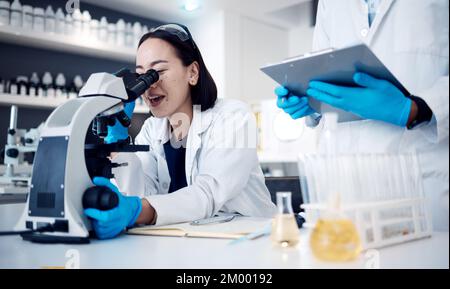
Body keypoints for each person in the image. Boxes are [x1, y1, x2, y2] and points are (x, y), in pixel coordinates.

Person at [84, 23, 276, 239]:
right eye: (141, 76)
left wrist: (136, 210)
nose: (148, 86)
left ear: (192, 72)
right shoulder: (151, 128)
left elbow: (208, 194)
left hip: (250, 242)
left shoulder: (234, 116)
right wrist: (119, 142)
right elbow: (139, 195)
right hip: (187, 244)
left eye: (157, 72)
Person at [276, 0, 449, 230]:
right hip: (341, 193)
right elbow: (320, 68)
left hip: (423, 187)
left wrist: (416, 109)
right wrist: (312, 100)